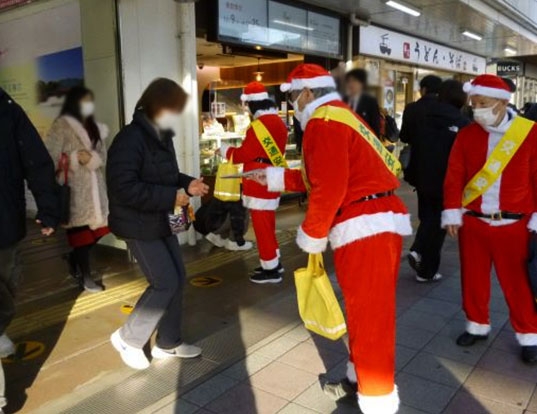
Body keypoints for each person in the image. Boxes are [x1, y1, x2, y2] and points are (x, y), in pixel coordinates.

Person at [250, 64, 411, 413]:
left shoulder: (324, 123)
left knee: (370, 319)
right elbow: (324, 176)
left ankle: (378, 401)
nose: (292, 103)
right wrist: (274, 177)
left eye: (293, 96)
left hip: (365, 227)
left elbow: (331, 187)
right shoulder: (339, 116)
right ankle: (359, 382)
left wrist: (311, 234)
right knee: (363, 313)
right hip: (374, 223)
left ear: (307, 92)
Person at [107, 78, 209, 370]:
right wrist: (172, 196)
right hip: (136, 224)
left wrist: (189, 184)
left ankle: (169, 342)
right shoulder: (129, 139)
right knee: (164, 281)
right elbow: (124, 187)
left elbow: (169, 175)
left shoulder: (162, 136)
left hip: (160, 219)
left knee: (178, 276)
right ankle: (128, 337)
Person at [442, 74, 537, 364]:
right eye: (472, 103)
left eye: (481, 103)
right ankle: (477, 324)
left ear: (502, 102)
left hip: (515, 224)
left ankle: (530, 333)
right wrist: (452, 212)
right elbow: (454, 176)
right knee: (473, 279)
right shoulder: (467, 135)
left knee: (518, 282)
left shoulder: (530, 133)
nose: (475, 108)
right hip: (474, 222)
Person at [0, 88, 59, 413]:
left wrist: (48, 209)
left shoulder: (7, 108)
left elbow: (36, 162)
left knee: (7, 285)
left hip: (4, 224)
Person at [218, 82, 288, 284]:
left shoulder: (258, 126)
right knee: (268, 225)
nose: (245, 109)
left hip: (259, 181)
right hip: (272, 177)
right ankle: (273, 261)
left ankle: (271, 270)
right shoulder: (278, 122)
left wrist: (225, 151)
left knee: (262, 228)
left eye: (246, 105)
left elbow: (244, 154)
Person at [45, 86, 109, 293]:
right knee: (81, 236)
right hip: (75, 190)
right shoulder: (61, 126)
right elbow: (50, 157)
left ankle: (73, 258)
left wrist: (92, 159)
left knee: (100, 231)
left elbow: (103, 157)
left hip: (96, 191)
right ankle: (86, 276)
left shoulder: (95, 127)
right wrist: (73, 158)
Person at [407, 80, 470, 282]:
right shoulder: (463, 123)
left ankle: (422, 264)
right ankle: (424, 264)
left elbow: (411, 143)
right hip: (447, 181)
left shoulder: (423, 117)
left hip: (423, 178)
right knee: (438, 224)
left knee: (428, 218)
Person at [399, 74, 442, 271]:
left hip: (418, 166)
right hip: (441, 168)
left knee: (427, 210)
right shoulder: (447, 110)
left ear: (423, 89)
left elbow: (404, 136)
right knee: (435, 214)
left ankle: (419, 249)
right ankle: (420, 251)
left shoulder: (412, 109)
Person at [344, 68, 381, 138]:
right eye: (349, 81)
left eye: (354, 80)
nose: (350, 84)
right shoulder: (343, 100)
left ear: (361, 83)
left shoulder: (370, 102)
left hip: (363, 142)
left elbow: (375, 127)